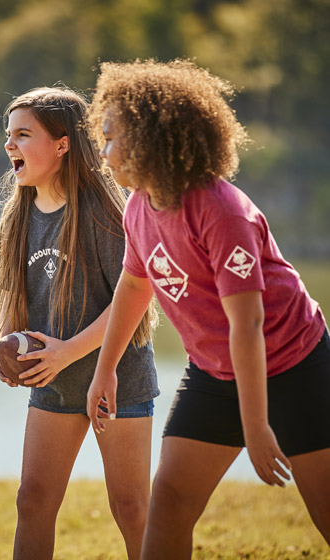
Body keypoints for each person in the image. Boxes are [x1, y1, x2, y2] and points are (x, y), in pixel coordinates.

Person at [86, 59, 330, 557]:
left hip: (293, 365)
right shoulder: (138, 206)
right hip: (215, 373)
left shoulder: (221, 210)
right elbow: (134, 288)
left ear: (150, 137)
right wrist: (104, 369)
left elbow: (248, 323)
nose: (104, 153)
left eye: (112, 138)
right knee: (171, 500)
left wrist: (256, 425)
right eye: (102, 138)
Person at [0, 87, 159, 560]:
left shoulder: (104, 211)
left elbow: (136, 301)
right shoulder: (16, 217)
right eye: (8, 135)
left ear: (63, 144)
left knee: (131, 508)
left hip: (120, 380)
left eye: (23, 134)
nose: (10, 146)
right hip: (55, 384)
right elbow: (20, 311)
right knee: (33, 499)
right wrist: (11, 351)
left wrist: (69, 351)